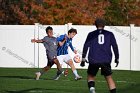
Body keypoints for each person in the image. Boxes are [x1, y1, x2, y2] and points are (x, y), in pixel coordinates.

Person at [80, 18, 119, 93]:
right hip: (106, 60)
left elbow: (86, 46)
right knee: (108, 77)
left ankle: (92, 90)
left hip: (94, 59)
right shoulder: (109, 34)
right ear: (104, 25)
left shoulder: (91, 34)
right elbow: (115, 46)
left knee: (91, 76)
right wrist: (117, 58)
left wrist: (83, 58)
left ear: (95, 25)